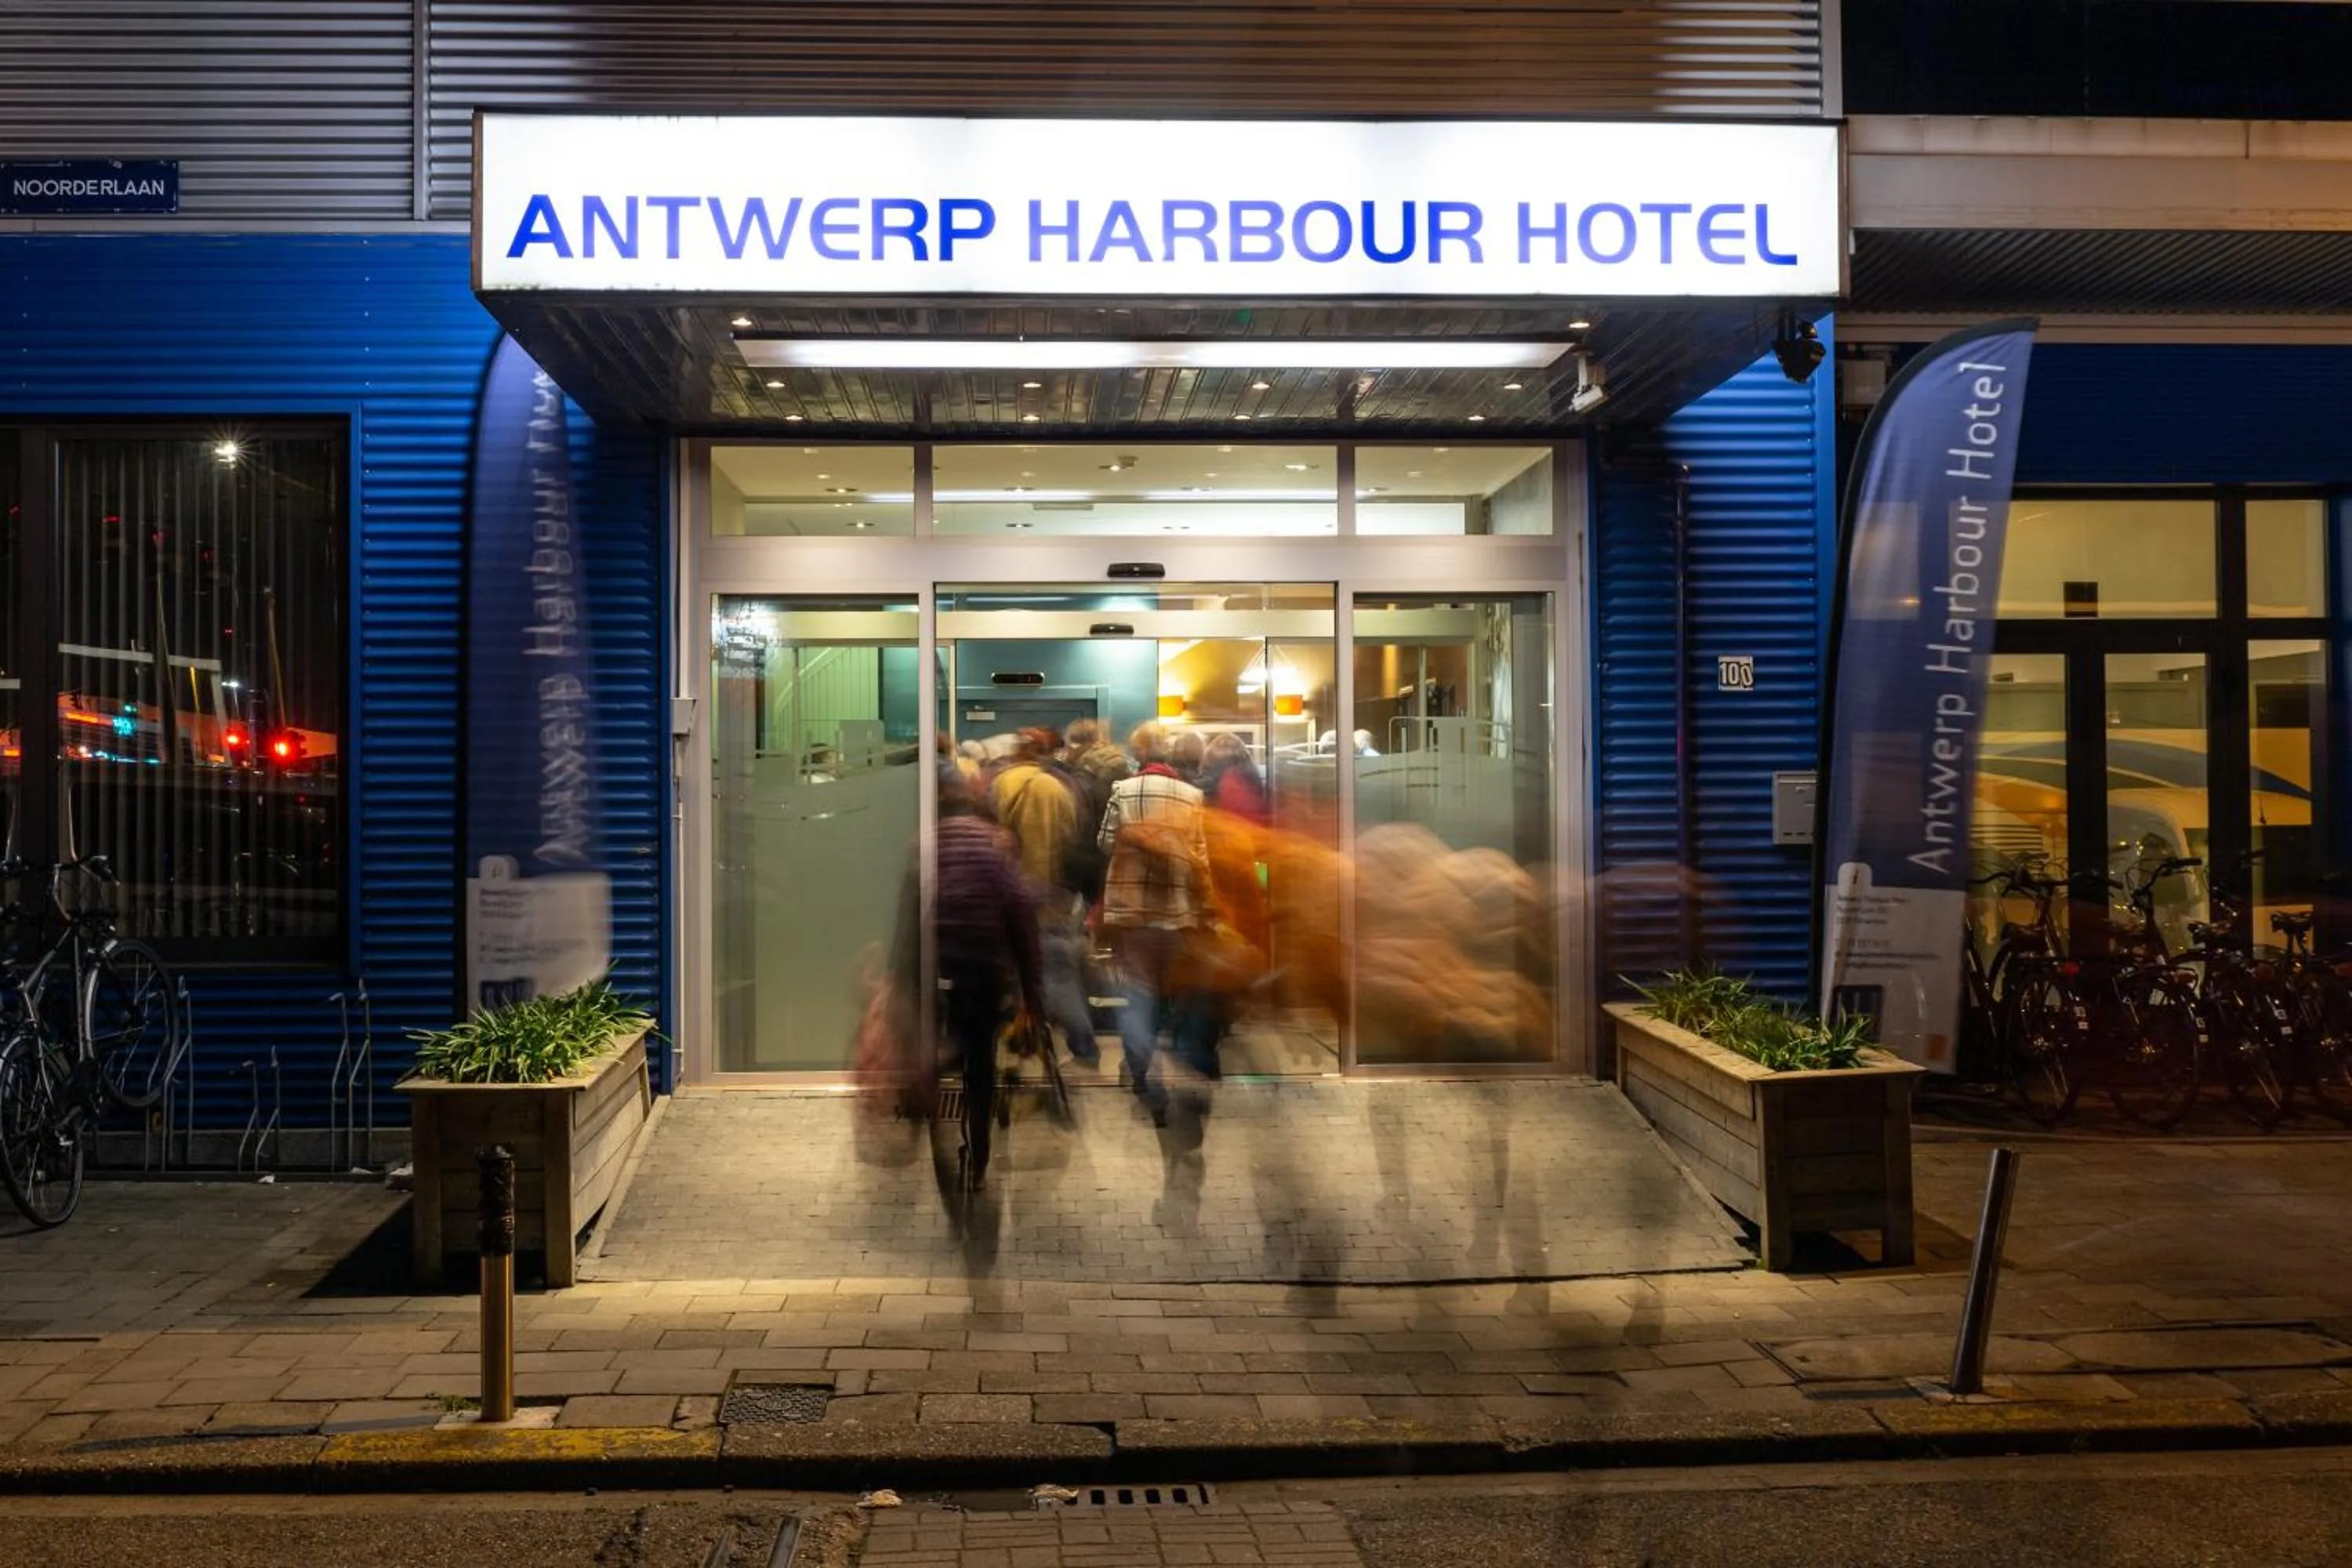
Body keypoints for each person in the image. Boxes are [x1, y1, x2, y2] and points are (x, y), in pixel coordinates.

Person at [930, 768, 1044, 1189]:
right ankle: (977, 1155)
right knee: (981, 1066)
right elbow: (1022, 919)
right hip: (986, 970)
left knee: (945, 1041)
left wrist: (898, 977)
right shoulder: (998, 846)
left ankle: (939, 1065)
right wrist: (1032, 991)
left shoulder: (926, 845)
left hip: (940, 968)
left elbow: (911, 916)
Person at [1098, 722, 1212, 1123]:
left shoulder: (1122, 791)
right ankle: (1173, 1053)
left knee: (1138, 989)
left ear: (1140, 755)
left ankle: (1141, 1069)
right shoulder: (1192, 796)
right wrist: (1205, 907)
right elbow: (1200, 857)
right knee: (1170, 989)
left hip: (1133, 910)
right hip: (1176, 910)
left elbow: (1106, 842)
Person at [991, 727, 1102, 1066]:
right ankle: (1083, 1046)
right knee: (1058, 972)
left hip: (1010, 892)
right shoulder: (1058, 787)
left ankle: (1027, 1038)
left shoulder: (1001, 784)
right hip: (1054, 893)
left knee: (1018, 971)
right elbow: (1075, 837)